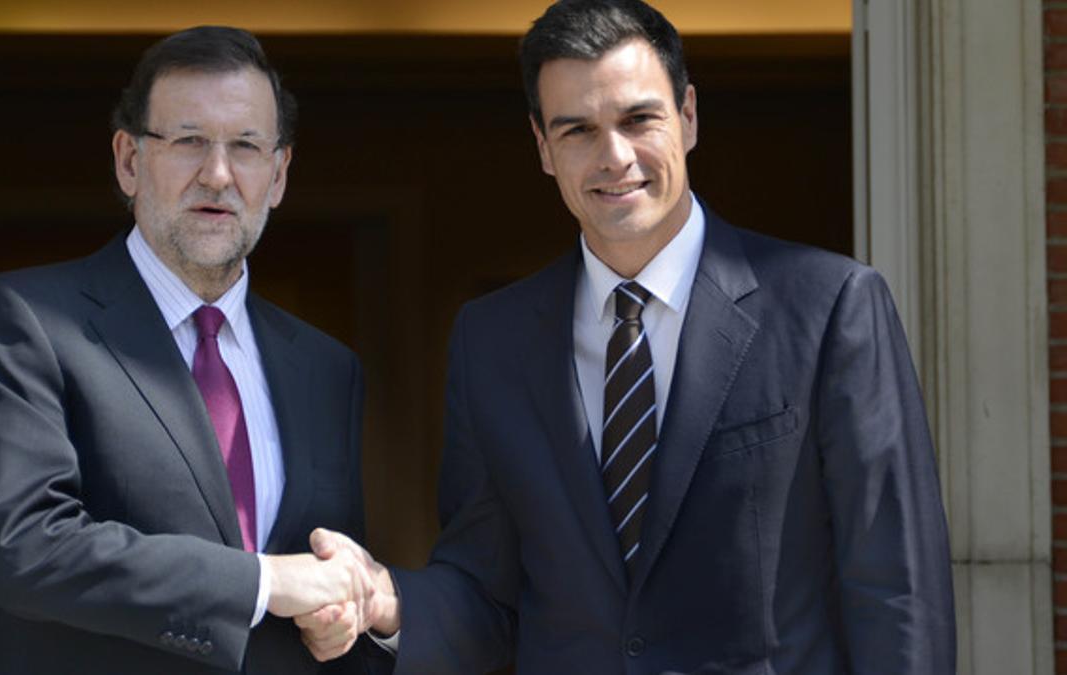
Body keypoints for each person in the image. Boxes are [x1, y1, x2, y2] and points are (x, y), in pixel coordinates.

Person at [296, 1, 956, 672]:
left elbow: (895, 589)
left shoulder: (828, 308)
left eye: (639, 119)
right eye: (578, 129)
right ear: (543, 148)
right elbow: (486, 587)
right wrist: (392, 600)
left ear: (689, 115)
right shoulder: (492, 340)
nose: (615, 157)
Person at [0, 26, 385, 674]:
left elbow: (325, 585)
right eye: (188, 142)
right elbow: (27, 548)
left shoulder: (327, 369)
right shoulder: (24, 321)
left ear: (278, 173)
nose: (217, 174)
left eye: (245, 146)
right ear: (129, 160)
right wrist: (262, 583)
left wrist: (344, 618)